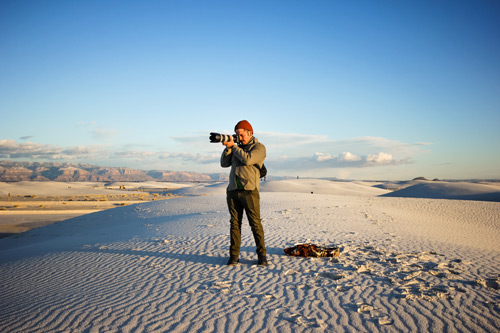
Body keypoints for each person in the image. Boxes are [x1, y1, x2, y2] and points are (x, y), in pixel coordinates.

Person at [220, 120, 267, 266]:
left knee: (255, 224)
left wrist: (233, 146)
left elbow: (248, 160)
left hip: (249, 191)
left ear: (250, 133)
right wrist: (228, 148)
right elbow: (224, 163)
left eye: (241, 135)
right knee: (234, 224)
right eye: (236, 135)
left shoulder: (259, 148)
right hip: (233, 190)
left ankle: (262, 256)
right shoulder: (236, 148)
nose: (239, 138)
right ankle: (234, 256)